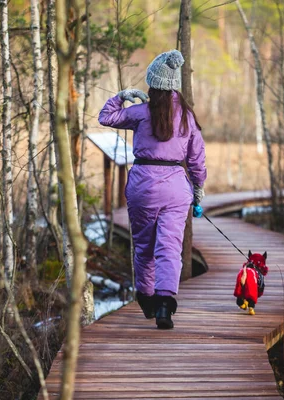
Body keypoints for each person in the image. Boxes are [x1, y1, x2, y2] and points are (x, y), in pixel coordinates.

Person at [98, 50, 207, 329]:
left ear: (152, 82)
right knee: (170, 247)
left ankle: (146, 298)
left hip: (142, 185)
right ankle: (164, 306)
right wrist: (198, 189)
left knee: (145, 247)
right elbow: (196, 158)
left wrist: (121, 95)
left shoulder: (140, 111)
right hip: (175, 188)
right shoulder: (186, 116)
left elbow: (106, 117)